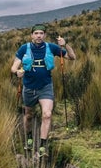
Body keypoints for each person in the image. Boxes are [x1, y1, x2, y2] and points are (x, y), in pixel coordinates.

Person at [10, 24, 76, 157]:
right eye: (36, 33)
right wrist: (17, 72)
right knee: (28, 115)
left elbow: (72, 57)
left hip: (46, 87)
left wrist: (65, 44)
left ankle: (42, 146)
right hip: (29, 88)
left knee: (47, 114)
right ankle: (29, 137)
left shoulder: (51, 47)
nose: (38, 35)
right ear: (32, 35)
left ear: (44, 35)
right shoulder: (24, 48)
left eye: (41, 33)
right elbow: (14, 67)